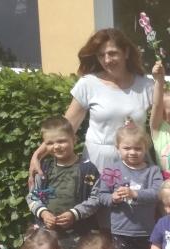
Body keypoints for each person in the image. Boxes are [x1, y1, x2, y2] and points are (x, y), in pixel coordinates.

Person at [29, 29, 153, 181]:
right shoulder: (88, 84)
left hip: (137, 161)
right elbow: (67, 127)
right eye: (101, 55)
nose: (107, 60)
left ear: (126, 53)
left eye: (112, 53)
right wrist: (37, 155)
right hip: (98, 161)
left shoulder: (147, 86)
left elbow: (164, 123)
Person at [98, 120, 162, 249]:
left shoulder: (152, 171)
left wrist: (135, 194)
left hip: (146, 231)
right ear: (118, 148)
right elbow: (101, 196)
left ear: (145, 148)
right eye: (127, 148)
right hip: (121, 231)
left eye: (138, 148)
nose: (132, 152)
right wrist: (113, 198)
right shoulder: (112, 171)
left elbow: (159, 193)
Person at [27, 117, 100, 249]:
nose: (56, 146)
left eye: (62, 141)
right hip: (47, 233)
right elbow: (32, 196)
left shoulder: (88, 169)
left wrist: (74, 214)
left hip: (78, 233)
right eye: (50, 143)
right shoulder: (43, 168)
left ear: (73, 139)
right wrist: (43, 213)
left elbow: (96, 199)